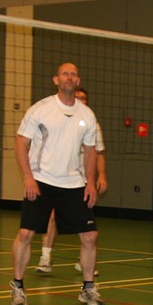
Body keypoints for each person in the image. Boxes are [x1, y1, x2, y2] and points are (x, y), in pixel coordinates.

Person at [11, 62, 103, 305]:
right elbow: (21, 143)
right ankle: (18, 287)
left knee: (90, 236)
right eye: (65, 74)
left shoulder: (87, 115)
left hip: (74, 183)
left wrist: (90, 183)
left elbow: (90, 151)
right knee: (25, 234)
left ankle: (88, 289)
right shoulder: (40, 109)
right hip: (41, 181)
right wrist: (28, 178)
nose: (69, 77)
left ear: (78, 80)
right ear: (56, 80)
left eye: (73, 74)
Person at [36, 86, 108, 275]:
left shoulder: (92, 123)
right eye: (78, 98)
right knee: (52, 217)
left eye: (84, 99)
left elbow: (99, 153)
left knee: (85, 225)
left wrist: (101, 175)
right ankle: (45, 259)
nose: (81, 101)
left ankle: (83, 262)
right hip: (61, 180)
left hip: (84, 181)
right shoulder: (58, 119)